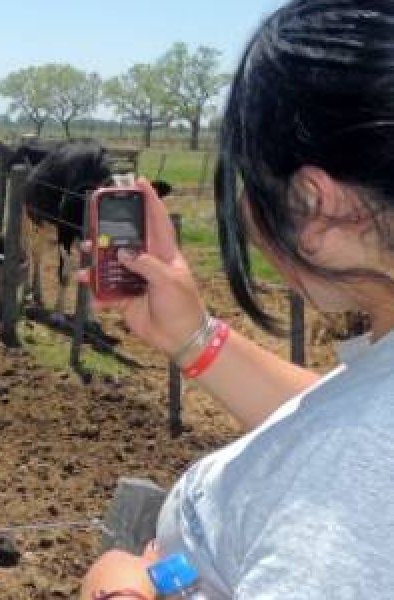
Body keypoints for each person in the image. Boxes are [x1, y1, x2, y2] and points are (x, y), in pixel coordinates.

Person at [79, 1, 394, 598]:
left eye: (249, 180)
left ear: (313, 204)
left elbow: (358, 456)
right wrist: (193, 337)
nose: (248, 216)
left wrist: (120, 589)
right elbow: (338, 413)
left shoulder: (343, 510)